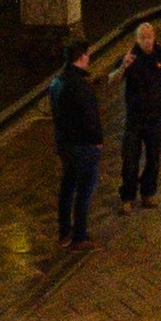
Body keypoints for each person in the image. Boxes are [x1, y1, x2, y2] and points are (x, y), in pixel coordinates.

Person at [116, 20, 161, 209]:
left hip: (156, 118)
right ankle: (127, 197)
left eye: (149, 37)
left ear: (155, 37)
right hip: (134, 118)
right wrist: (123, 66)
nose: (146, 41)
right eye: (142, 38)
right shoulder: (130, 58)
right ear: (137, 40)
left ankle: (148, 193)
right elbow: (112, 81)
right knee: (130, 158)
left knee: (154, 157)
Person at [46, 39, 108, 243]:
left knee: (67, 187)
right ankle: (80, 237)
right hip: (83, 146)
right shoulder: (79, 87)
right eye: (87, 55)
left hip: (64, 143)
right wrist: (97, 141)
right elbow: (89, 118)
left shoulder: (57, 81)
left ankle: (65, 232)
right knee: (84, 191)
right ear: (81, 57)